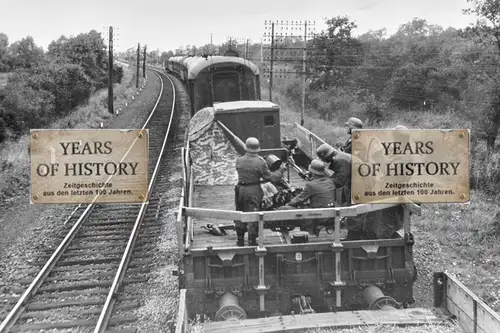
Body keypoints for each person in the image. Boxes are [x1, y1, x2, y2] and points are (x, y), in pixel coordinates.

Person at [235, 137, 286, 246]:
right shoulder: (260, 162)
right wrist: (281, 170)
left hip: (240, 190)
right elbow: (271, 178)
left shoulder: (239, 160)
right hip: (253, 191)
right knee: (253, 215)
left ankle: (239, 240)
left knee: (239, 213)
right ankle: (251, 241)